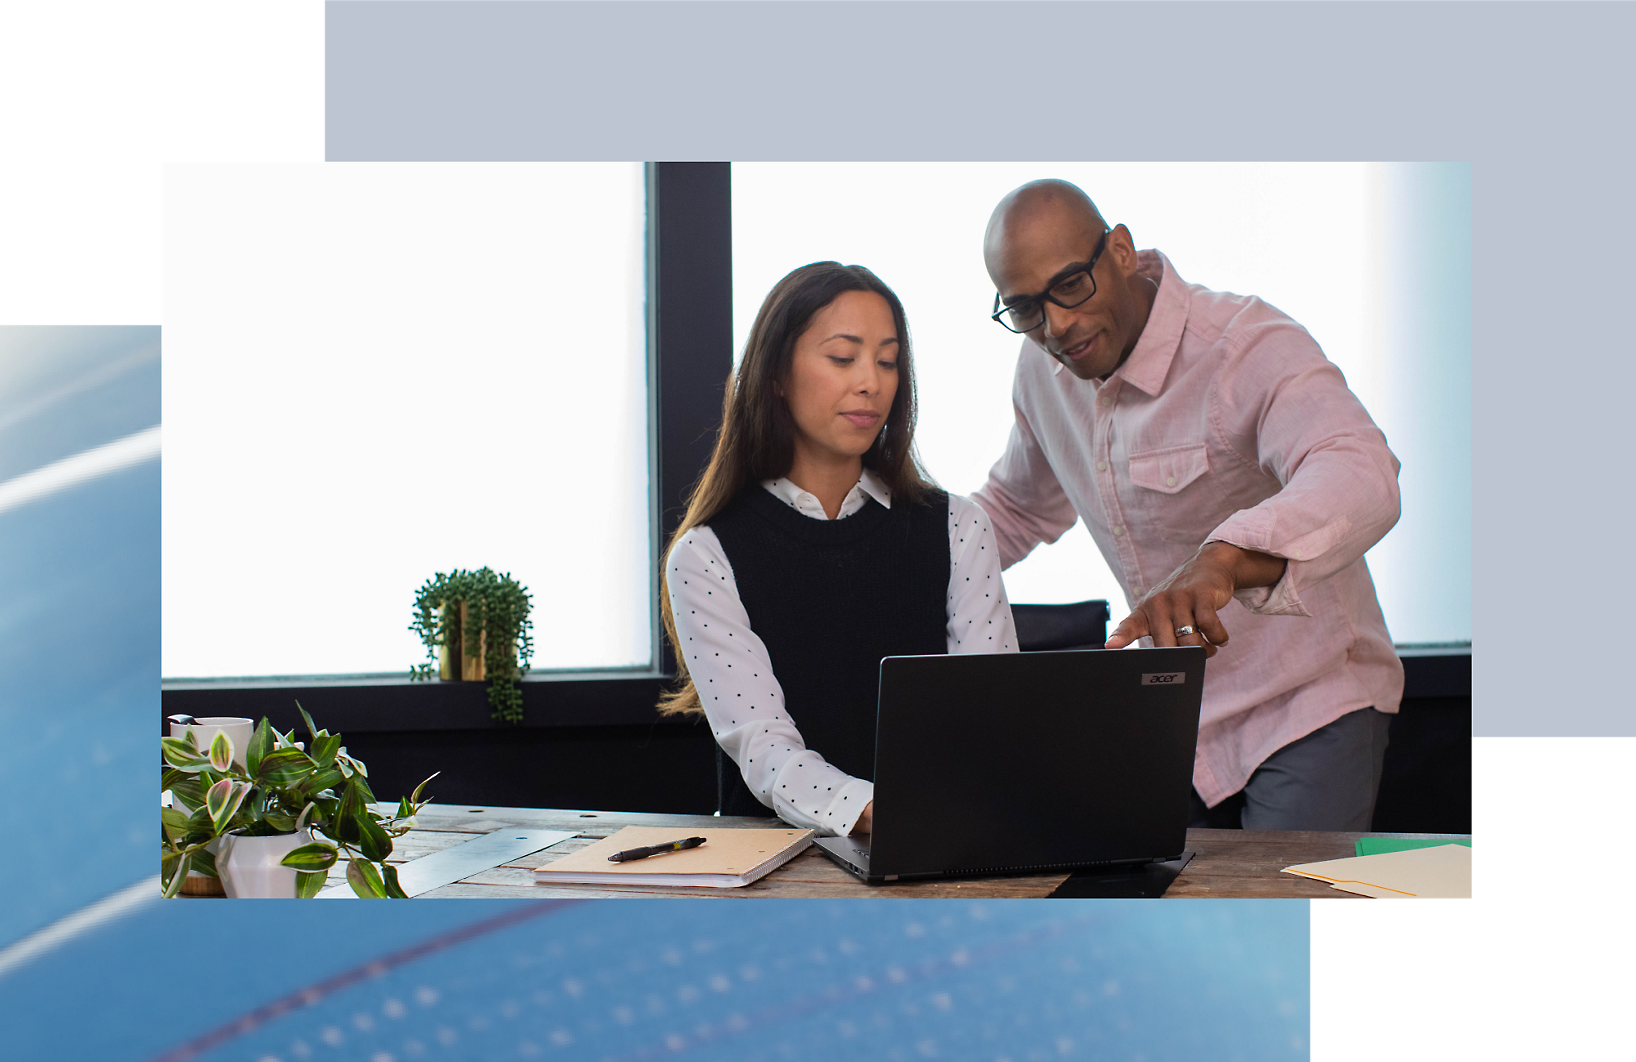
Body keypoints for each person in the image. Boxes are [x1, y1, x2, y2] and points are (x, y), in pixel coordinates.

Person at [972, 179, 1404, 831]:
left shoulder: (1245, 344)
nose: (1055, 326)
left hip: (1310, 701)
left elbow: (1362, 470)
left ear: (1119, 251)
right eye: (1025, 309)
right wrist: (885, 554)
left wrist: (1225, 557)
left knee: (1278, 916)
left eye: (1070, 286)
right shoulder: (1043, 372)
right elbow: (1016, 507)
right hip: (1177, 718)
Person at [659, 261, 1017, 837]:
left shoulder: (957, 527)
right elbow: (764, 750)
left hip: (945, 851)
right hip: (781, 873)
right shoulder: (705, 555)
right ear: (776, 373)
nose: (871, 382)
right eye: (843, 357)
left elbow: (992, 715)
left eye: (887, 360)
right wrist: (888, 811)